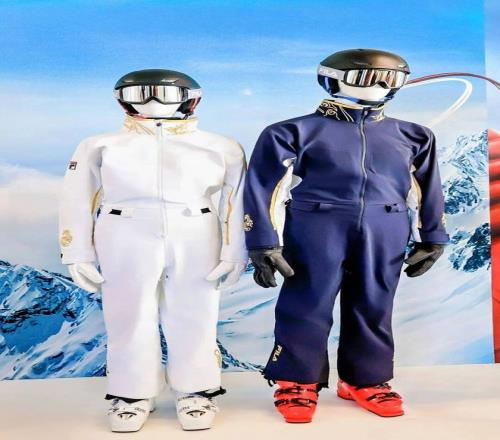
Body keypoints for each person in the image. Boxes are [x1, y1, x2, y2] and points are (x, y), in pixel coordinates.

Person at [244, 49, 449, 422]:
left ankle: (365, 380)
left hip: (386, 223)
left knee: (374, 302)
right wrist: (262, 240)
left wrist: (432, 235)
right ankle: (295, 380)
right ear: (331, 78)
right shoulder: (292, 132)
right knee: (307, 301)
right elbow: (263, 188)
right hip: (317, 223)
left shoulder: (415, 135)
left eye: (393, 78)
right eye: (367, 77)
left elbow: (427, 188)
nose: (381, 85)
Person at [59, 69, 247, 431]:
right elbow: (76, 196)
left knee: (196, 310)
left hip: (195, 226)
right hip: (124, 227)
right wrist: (76, 250)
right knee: (128, 312)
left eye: (165, 93)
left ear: (191, 98)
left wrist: (234, 249)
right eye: (140, 93)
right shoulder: (100, 145)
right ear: (121, 98)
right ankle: (131, 393)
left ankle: (196, 390)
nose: (152, 101)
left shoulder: (220, 146)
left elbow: (236, 200)